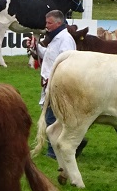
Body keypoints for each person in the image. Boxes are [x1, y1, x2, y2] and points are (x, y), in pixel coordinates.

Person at [28, 10, 85, 160]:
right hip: (50, 82)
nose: (46, 26)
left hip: (57, 83)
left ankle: (53, 152)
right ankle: (76, 143)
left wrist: (55, 81)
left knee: (51, 117)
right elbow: (49, 55)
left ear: (58, 23)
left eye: (49, 23)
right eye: (46, 22)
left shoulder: (65, 39)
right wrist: (36, 48)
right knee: (54, 116)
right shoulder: (56, 38)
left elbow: (67, 62)